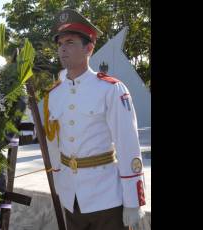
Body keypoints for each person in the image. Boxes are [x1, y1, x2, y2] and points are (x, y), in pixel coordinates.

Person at [43, 9, 146, 230]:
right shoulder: (54, 95)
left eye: (69, 42)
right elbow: (54, 144)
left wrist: (133, 201)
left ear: (89, 48)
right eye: (60, 43)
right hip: (72, 198)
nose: (62, 49)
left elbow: (128, 145)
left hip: (106, 197)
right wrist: (60, 186)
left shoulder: (110, 89)